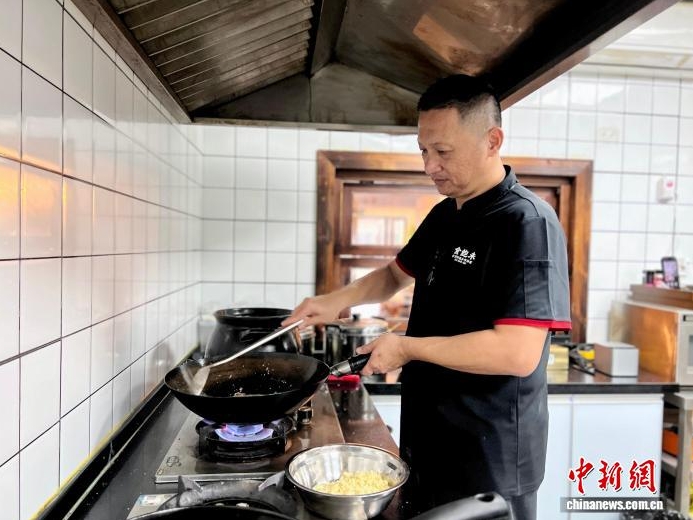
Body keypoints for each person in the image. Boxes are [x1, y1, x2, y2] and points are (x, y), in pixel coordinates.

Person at [282, 74, 571, 520]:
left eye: (443, 152)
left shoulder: (526, 222)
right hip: (431, 444)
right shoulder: (445, 215)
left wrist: (406, 348)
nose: (429, 165)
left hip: (487, 460)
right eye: (423, 151)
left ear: (492, 141)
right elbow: (392, 275)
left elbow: (516, 353)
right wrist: (332, 302)